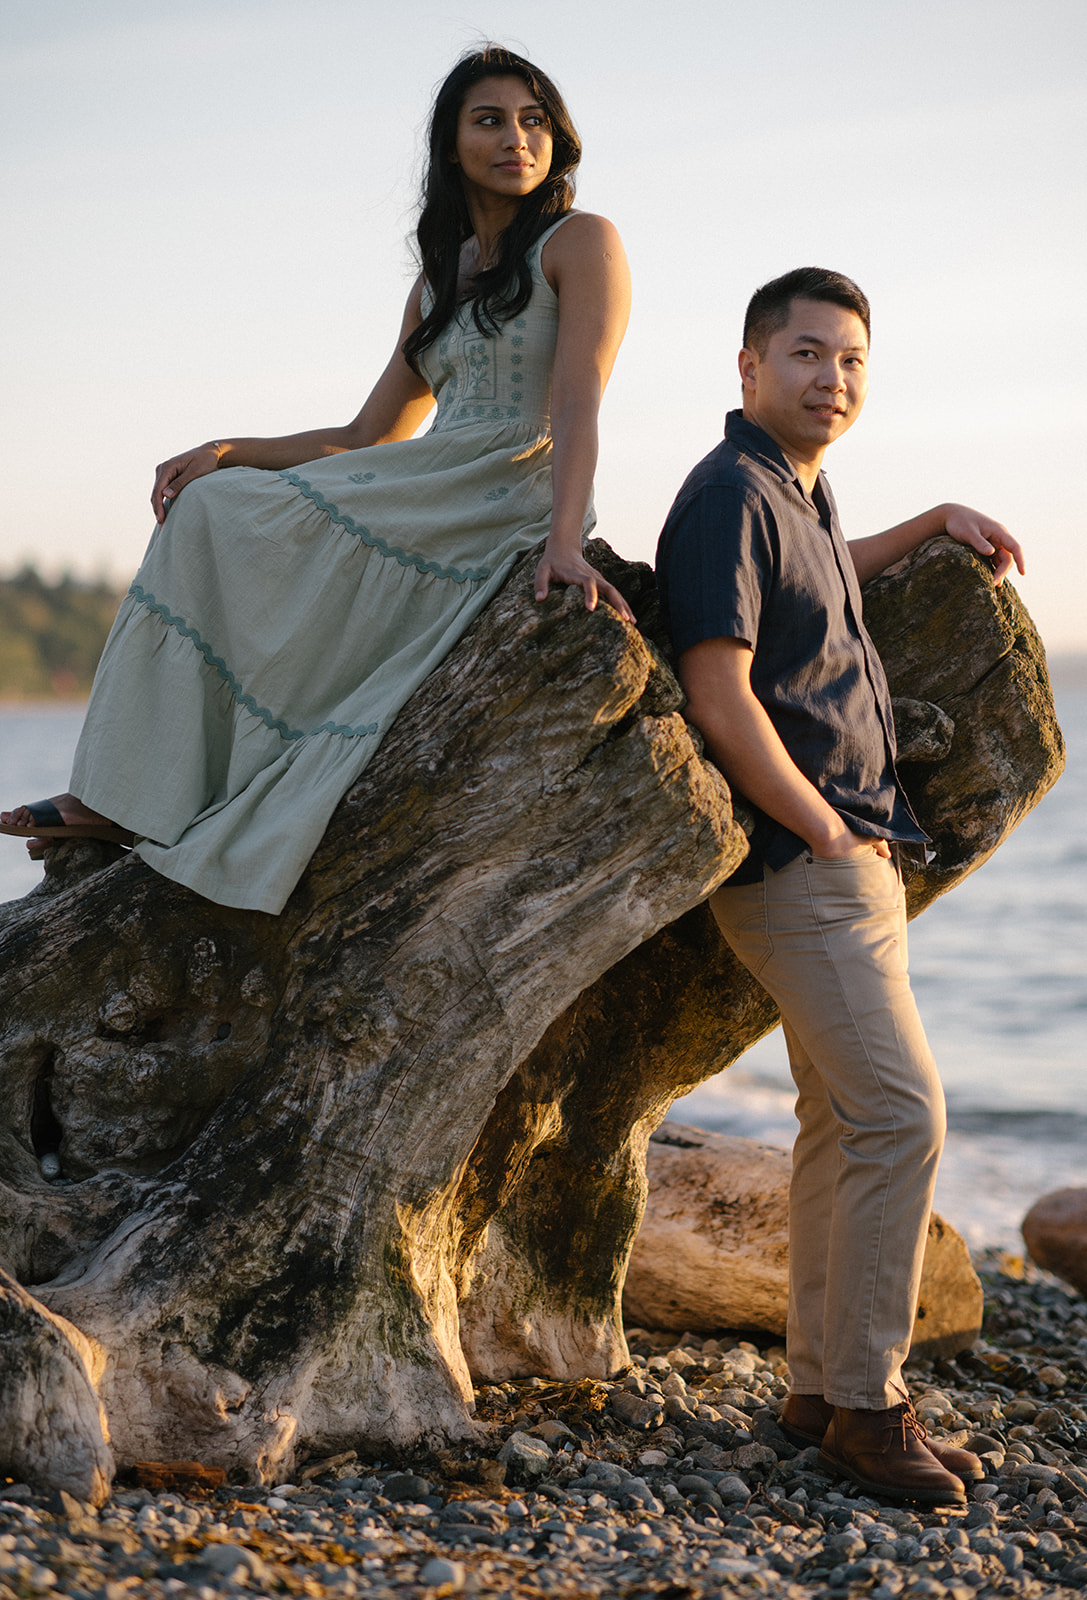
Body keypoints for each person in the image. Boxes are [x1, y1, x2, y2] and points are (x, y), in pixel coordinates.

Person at [1, 46, 632, 914]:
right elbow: (366, 434)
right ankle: (120, 793)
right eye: (489, 120)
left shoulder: (582, 240)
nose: (516, 139)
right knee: (211, 507)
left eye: (534, 122)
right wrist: (228, 449)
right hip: (422, 473)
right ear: (451, 145)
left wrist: (564, 540)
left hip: (509, 482)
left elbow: (579, 395)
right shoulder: (434, 283)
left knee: (237, 528)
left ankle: (146, 798)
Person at [655, 267, 1024, 1507]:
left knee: (837, 1123)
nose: (833, 379)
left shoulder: (792, 496)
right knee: (899, 1116)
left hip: (841, 864)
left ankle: (817, 1390)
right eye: (808, 355)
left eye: (853, 361)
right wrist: (821, 828)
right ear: (749, 367)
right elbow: (719, 689)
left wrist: (929, 522)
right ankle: (870, 1409)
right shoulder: (726, 496)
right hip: (800, 865)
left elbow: (826, 585)